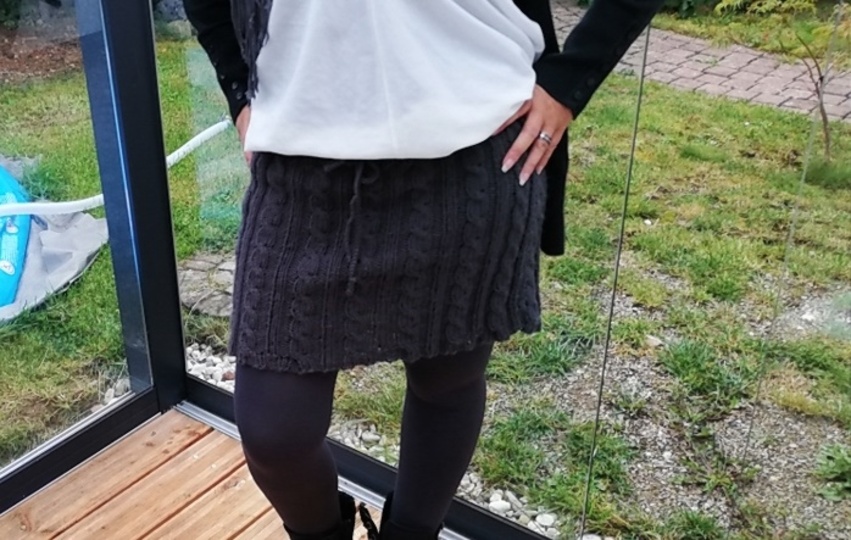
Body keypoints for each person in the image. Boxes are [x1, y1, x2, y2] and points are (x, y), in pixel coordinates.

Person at [182, 1, 664, 538]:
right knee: (275, 434)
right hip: (298, 159)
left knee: (447, 386)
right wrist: (238, 90)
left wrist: (569, 84)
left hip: (474, 152)